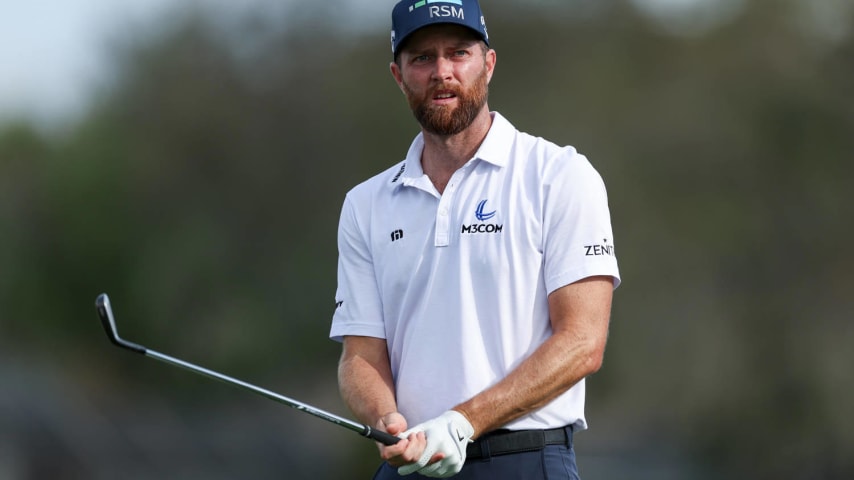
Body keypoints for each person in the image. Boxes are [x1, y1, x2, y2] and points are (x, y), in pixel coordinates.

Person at [330, 1, 620, 478]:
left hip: (527, 459)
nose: (442, 71)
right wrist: (387, 419)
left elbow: (583, 341)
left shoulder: (559, 176)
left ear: (488, 63)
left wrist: (463, 423)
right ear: (398, 76)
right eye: (422, 58)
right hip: (414, 463)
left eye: (458, 53)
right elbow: (360, 356)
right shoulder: (365, 204)